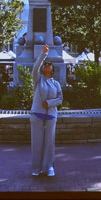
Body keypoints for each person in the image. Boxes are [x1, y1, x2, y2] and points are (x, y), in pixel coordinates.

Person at [30, 44, 63, 177]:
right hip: (37, 114)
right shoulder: (38, 80)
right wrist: (43, 54)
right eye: (46, 64)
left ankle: (48, 167)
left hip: (51, 115)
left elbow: (60, 98)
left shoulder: (56, 83)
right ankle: (36, 168)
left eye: (50, 64)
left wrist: (49, 103)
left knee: (49, 143)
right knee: (37, 142)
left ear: (52, 69)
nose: (47, 65)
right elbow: (35, 68)